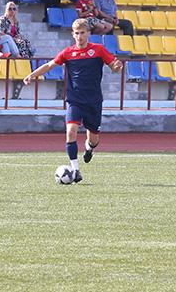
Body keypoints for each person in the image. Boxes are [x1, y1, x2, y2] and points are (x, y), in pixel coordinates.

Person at [24, 18, 123, 182]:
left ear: (88, 33)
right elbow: (49, 65)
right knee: (70, 131)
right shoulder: (68, 53)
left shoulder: (98, 50)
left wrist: (117, 67)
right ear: (73, 34)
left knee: (94, 139)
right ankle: (76, 170)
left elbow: (113, 65)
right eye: (76, 33)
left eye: (82, 33)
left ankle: (89, 148)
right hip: (74, 99)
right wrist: (32, 75)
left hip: (93, 101)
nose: (79, 36)